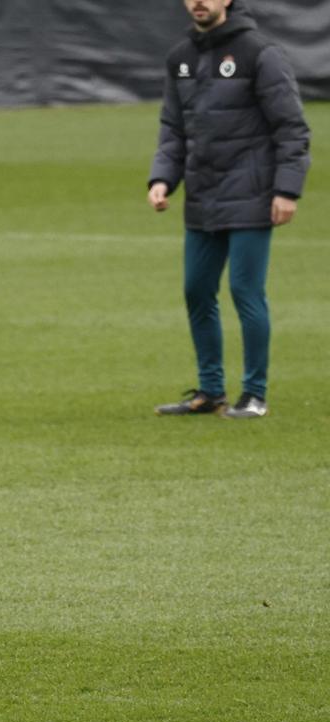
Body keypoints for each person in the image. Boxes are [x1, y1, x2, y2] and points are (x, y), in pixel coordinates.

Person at [149, 0, 310, 418]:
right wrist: (162, 179)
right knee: (196, 291)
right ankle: (210, 392)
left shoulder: (261, 53)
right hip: (204, 195)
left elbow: (291, 128)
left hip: (252, 194)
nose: (199, 1)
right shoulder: (180, 57)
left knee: (245, 292)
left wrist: (286, 190)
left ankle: (254, 395)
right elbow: (173, 129)